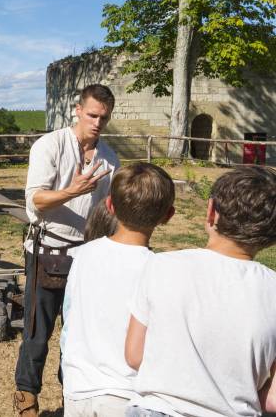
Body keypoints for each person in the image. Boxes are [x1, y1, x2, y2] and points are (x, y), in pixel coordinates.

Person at [125, 166, 276, 417]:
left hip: (158, 408)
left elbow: (134, 355)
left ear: (211, 212)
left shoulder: (162, 265)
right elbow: (272, 400)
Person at [14, 84, 120, 417]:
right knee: (37, 331)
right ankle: (26, 399)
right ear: (77, 110)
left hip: (86, 255)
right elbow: (36, 200)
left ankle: (70, 400)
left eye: (104, 117)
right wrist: (72, 190)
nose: (97, 122)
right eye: (92, 115)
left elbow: (108, 209)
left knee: (76, 335)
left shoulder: (110, 158)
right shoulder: (50, 145)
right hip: (47, 248)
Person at [60, 163, 175, 417]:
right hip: (127, 393)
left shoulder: (83, 255)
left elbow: (69, 318)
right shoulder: (158, 269)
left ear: (110, 205)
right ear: (168, 215)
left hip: (78, 387)